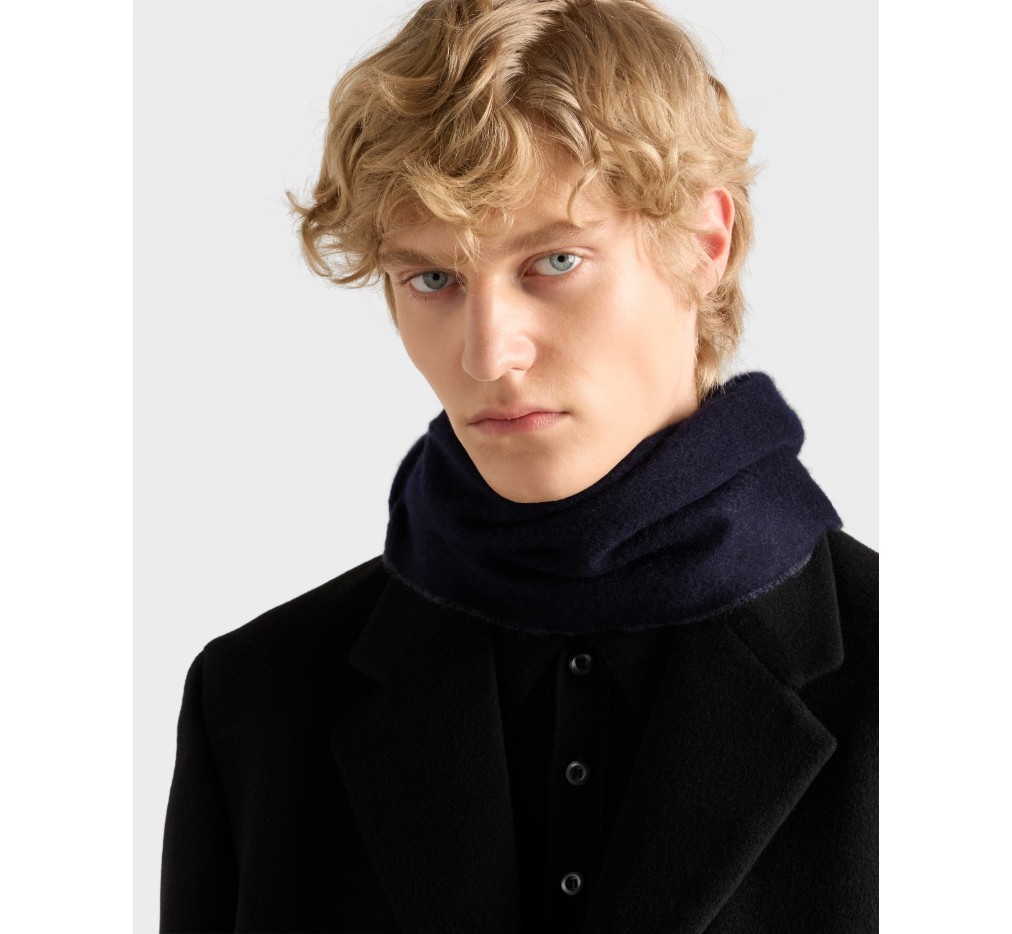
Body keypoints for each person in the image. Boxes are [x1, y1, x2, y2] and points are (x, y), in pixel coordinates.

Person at [159, 1, 878, 931]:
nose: (488, 353)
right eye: (432, 279)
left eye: (555, 261)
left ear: (708, 241)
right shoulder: (256, 705)